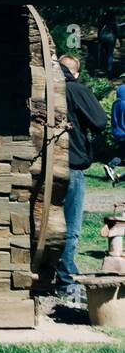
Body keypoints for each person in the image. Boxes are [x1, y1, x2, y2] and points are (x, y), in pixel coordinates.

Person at [57, 55, 109, 301]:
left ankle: (56, 272)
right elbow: (99, 121)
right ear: (75, 73)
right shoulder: (76, 90)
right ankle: (67, 282)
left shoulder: (43, 89)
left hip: (43, 166)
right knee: (70, 228)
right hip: (71, 164)